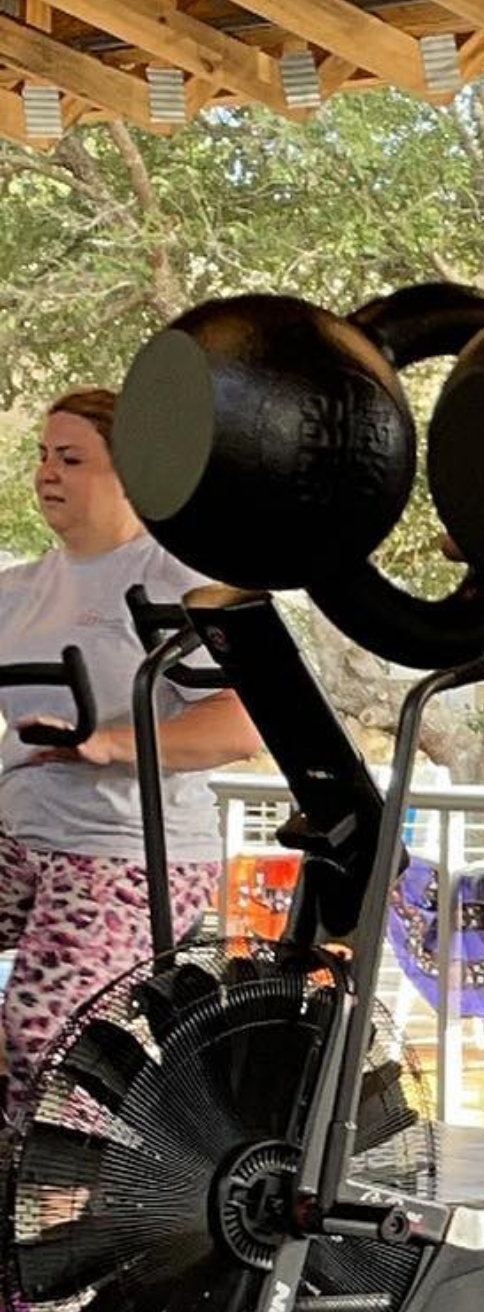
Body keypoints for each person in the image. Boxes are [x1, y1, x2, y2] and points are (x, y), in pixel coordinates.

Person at [0, 387, 261, 1121]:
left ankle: (57, 1209)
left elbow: (243, 725)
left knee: (46, 1040)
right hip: (20, 833)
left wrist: (111, 743)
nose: (48, 472)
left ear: (133, 473)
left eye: (72, 458)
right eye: (43, 456)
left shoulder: (179, 582)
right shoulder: (18, 592)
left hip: (125, 851)